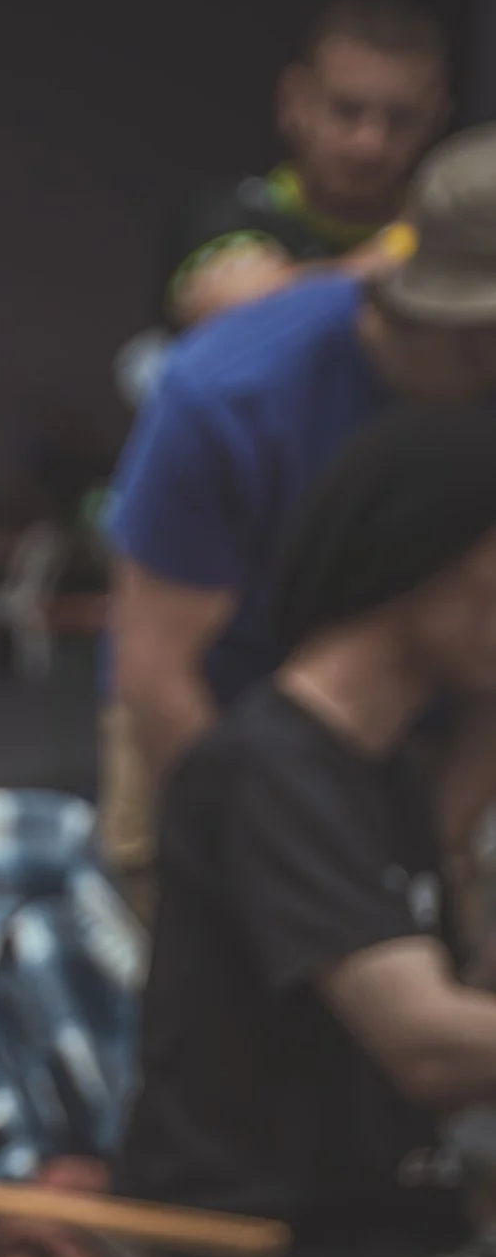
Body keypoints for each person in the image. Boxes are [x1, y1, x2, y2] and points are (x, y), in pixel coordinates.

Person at [116, 399, 496, 1257]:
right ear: (425, 550)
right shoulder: (269, 771)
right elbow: (427, 1043)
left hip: (408, 1235)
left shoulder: (387, 772)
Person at [101, 123, 496, 911]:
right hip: (210, 714)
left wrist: (440, 854)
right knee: (225, 952)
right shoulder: (229, 392)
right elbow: (158, 668)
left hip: (423, 725)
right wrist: (283, 885)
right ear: (475, 334)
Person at [162, 0, 448, 332]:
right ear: (294, 100)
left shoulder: (444, 228)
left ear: (436, 118)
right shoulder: (231, 211)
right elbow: (227, 308)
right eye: (346, 110)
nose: (370, 143)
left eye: (401, 119)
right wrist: (383, 264)